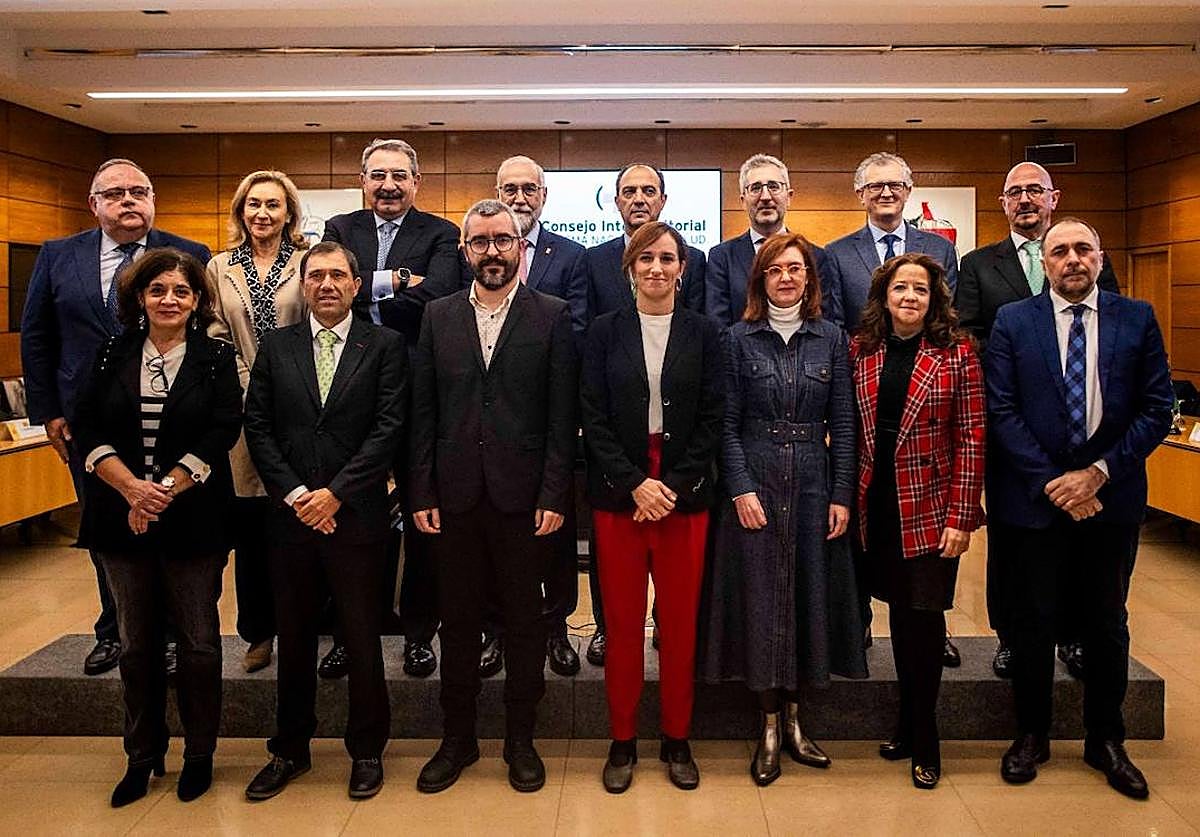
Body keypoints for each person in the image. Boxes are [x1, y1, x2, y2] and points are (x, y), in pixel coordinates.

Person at [987, 218, 1173, 800]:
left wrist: (1095, 474)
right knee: (1033, 621)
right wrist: (1054, 483)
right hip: (1035, 502)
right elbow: (1003, 409)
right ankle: (1032, 734)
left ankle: (1105, 738)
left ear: (1100, 256)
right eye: (1059, 250)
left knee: (1106, 622)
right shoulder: (1013, 322)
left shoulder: (1135, 317)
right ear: (1044, 261)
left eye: (1082, 249)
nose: (1072, 259)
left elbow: (1156, 406)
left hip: (1109, 500)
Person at [20, 157, 211, 677]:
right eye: (117, 193)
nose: (130, 201)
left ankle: (171, 635)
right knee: (106, 527)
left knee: (170, 523)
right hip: (91, 423)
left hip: (171, 418)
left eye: (140, 191)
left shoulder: (189, 254)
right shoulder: (60, 255)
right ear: (95, 204)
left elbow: (204, 337)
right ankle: (115, 631)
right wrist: (49, 412)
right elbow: (37, 336)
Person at [409, 199, 576, 794]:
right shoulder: (438, 316)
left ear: (519, 246)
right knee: (456, 624)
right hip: (453, 499)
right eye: (479, 242)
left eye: (502, 240)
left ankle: (520, 740)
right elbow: (422, 412)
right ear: (465, 251)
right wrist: (420, 488)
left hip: (526, 501)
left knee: (526, 625)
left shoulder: (552, 315)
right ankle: (457, 741)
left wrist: (555, 492)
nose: (492, 252)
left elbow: (563, 417)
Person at [72, 248, 240, 807]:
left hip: (193, 520)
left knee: (198, 644)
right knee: (136, 646)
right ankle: (142, 756)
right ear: (139, 297)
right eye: (158, 289)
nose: (170, 299)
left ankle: (199, 755)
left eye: (182, 291)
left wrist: (162, 491)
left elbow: (221, 430)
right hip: (121, 520)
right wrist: (131, 490)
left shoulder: (216, 357)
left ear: (198, 301)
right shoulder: (109, 354)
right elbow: (86, 425)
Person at [699, 232, 866, 786]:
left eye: (796, 269)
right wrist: (740, 488)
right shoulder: (736, 340)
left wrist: (843, 494)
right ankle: (767, 726)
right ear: (760, 279)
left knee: (805, 601)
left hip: (816, 487)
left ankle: (797, 722)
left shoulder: (832, 339)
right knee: (762, 604)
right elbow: (723, 426)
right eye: (775, 270)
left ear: (810, 279)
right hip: (756, 483)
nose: (787, 277)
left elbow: (844, 425)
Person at [243, 242, 407, 801]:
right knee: (294, 638)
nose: (328, 284)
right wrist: (295, 494)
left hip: (356, 518)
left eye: (339, 275)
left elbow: (388, 429)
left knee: (361, 637)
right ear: (303, 285)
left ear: (357, 285)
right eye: (317, 276)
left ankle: (366, 751)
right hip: (290, 522)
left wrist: (334, 495)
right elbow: (259, 428)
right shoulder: (276, 346)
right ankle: (289, 749)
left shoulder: (384, 346)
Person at [955, 162, 1121, 679]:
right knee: (1012, 541)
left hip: (1082, 433)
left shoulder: (1086, 259)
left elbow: (1110, 325)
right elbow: (967, 332)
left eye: (1035, 191)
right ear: (1002, 203)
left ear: (1053, 198)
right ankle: (1011, 636)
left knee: (1076, 538)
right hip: (1012, 427)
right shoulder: (978, 264)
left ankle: (1071, 635)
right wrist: (1024, 352)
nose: (1025, 200)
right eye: (1015, 193)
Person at [580, 221, 724, 793]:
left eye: (667, 258)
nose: (657, 268)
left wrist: (674, 485)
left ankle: (677, 738)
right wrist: (636, 482)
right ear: (629, 269)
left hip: (684, 499)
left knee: (680, 626)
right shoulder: (602, 331)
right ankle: (622, 741)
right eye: (646, 260)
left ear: (682, 268)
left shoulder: (706, 333)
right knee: (619, 627)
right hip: (620, 496)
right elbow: (591, 415)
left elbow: (714, 416)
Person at [322, 137, 462, 679]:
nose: (388, 185)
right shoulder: (340, 230)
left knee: (424, 512)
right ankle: (346, 631)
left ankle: (420, 632)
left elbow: (439, 298)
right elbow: (330, 290)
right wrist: (402, 280)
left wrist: (365, 289)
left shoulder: (442, 234)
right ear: (363, 181)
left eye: (399, 176)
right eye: (378, 175)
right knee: (349, 514)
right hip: (349, 390)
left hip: (417, 390)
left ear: (416, 182)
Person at [849, 253, 986, 790]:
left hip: (928, 510)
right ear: (885, 295)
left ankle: (925, 735)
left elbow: (973, 439)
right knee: (883, 617)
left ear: (934, 300)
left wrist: (961, 517)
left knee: (919, 626)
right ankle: (904, 726)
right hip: (872, 504)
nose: (910, 297)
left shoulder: (956, 355)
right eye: (900, 288)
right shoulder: (861, 351)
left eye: (921, 290)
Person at [823, 151, 963, 666]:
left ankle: (932, 630)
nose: (886, 193)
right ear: (860, 194)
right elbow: (837, 328)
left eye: (895, 184)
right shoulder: (837, 254)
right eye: (875, 185)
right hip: (867, 395)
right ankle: (855, 630)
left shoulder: (939, 249)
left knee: (923, 546)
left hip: (927, 398)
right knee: (862, 531)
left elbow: (951, 317)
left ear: (909, 189)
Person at [577, 162, 706, 665]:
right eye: (628, 191)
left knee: (678, 594)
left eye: (648, 190)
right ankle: (608, 630)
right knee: (616, 577)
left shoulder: (689, 258)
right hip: (618, 435)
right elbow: (586, 336)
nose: (638, 198)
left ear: (663, 198)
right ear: (614, 201)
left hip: (675, 443)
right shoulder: (593, 261)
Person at [480, 154, 588, 679]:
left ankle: (557, 627)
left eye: (529, 188)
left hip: (546, 412)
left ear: (544, 195)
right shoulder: (478, 250)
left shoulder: (571, 255)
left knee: (554, 536)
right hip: (485, 423)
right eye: (509, 188)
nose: (519, 197)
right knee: (495, 541)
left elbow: (580, 328)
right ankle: (496, 631)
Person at [206, 169, 308, 673]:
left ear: (289, 212)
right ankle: (258, 631)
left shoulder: (310, 262)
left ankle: (305, 626)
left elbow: (320, 326)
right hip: (245, 411)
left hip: (306, 408)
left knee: (300, 522)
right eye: (253, 205)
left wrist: (287, 384)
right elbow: (216, 333)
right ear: (240, 212)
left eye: (272, 205)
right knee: (252, 528)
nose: (262, 214)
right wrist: (252, 385)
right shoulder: (219, 266)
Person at [706, 153, 835, 325]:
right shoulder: (722, 257)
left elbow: (823, 321)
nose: (765, 197)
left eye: (774, 187)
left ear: (789, 197)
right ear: (743, 201)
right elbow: (717, 325)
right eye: (755, 188)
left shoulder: (816, 256)